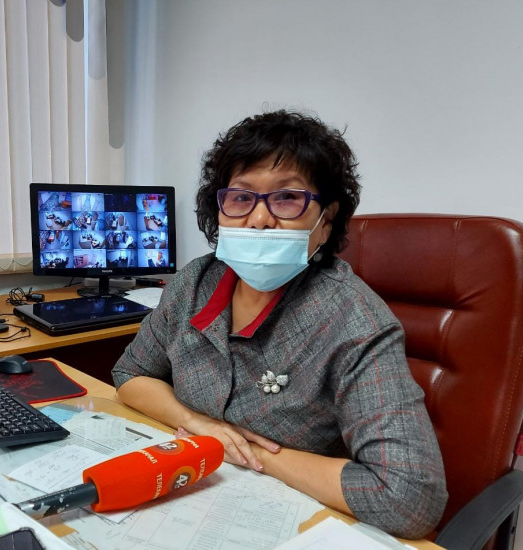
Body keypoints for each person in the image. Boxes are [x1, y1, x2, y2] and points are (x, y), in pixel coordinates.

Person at [111, 110, 448, 539]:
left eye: (287, 198)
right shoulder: (194, 283)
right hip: (189, 494)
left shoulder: (355, 322)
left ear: (325, 221)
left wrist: (255, 453)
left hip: (293, 522)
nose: (259, 219)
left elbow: (409, 498)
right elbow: (130, 374)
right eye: (241, 197)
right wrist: (199, 425)